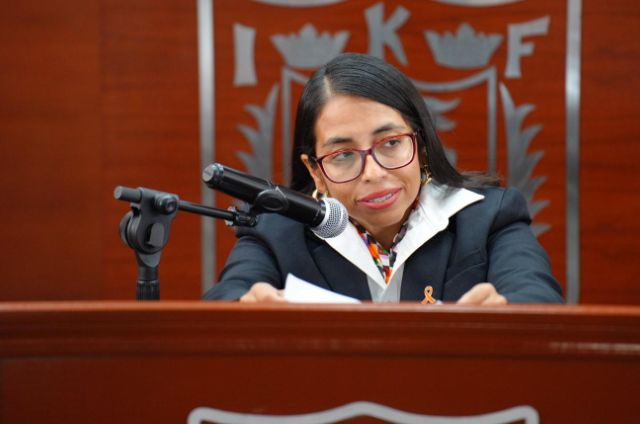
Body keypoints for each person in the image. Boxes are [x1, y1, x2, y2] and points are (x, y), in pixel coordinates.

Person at [203, 53, 563, 305]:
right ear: (315, 171)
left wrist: (503, 314)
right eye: (343, 155)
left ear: (421, 146)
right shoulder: (276, 231)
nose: (374, 173)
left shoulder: (490, 218)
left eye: (391, 144)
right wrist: (248, 308)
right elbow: (224, 305)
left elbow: (539, 301)